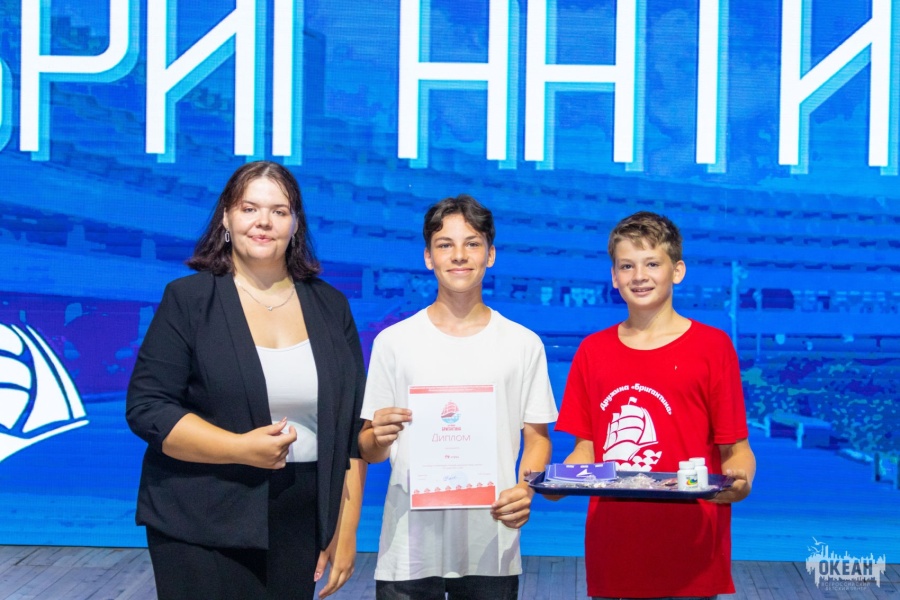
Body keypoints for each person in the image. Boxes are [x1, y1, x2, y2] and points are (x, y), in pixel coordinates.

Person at [126, 161, 367, 600]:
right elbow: (148, 408)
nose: (263, 221)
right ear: (226, 218)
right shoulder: (189, 299)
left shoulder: (331, 306)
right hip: (199, 517)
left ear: (295, 223)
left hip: (299, 518)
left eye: (279, 211)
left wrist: (343, 529)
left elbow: (350, 429)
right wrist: (239, 448)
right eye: (249, 208)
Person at [358, 195, 558, 600]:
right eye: (445, 244)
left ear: (490, 254)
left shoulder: (523, 344)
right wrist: (377, 436)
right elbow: (369, 448)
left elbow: (537, 438)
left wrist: (525, 490)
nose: (459, 255)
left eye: (472, 243)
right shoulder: (393, 343)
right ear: (428, 257)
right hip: (409, 548)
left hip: (492, 542)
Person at [554, 211, 756, 599]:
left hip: (693, 554)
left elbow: (737, 450)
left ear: (677, 271)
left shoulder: (713, 347)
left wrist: (740, 482)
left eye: (652, 264)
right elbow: (586, 450)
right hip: (615, 553)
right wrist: (559, 481)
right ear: (614, 276)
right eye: (626, 266)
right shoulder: (592, 351)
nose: (639, 276)